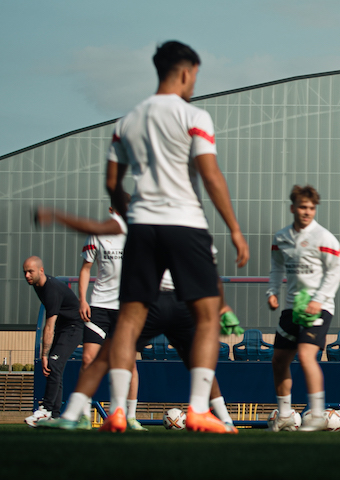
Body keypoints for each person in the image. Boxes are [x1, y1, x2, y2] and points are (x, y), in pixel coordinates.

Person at [102, 40, 249, 433]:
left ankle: (117, 410)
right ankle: (199, 408)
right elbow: (210, 174)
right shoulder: (193, 115)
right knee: (206, 317)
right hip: (185, 223)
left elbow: (112, 183)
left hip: (144, 224)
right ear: (185, 72)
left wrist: (131, 211)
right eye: (196, 76)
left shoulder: (127, 121)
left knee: (129, 322)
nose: (194, 83)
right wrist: (234, 228)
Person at [32, 207, 241, 431]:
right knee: (199, 361)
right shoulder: (195, 226)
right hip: (176, 304)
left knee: (108, 357)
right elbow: (209, 272)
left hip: (150, 303)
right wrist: (222, 306)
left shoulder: (143, 220)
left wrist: (57, 216)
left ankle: (103, 414)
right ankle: (215, 416)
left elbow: (95, 226)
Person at [267, 185, 340, 432]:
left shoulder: (324, 237)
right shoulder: (281, 238)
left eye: (311, 208)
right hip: (291, 308)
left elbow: (335, 271)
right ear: (293, 208)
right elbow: (277, 267)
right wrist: (273, 292)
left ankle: (318, 415)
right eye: (302, 207)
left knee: (306, 355)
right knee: (279, 360)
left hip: (318, 308)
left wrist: (318, 300)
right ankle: (286, 415)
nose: (307, 212)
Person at [23, 256, 83, 426]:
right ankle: (54, 416)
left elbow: (49, 326)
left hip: (74, 327)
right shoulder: (37, 285)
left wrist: (44, 354)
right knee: (56, 369)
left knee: (54, 364)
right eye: (25, 272)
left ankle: (46, 410)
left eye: (30, 272)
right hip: (64, 327)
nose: (27, 275)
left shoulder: (51, 289)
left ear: (41, 270)